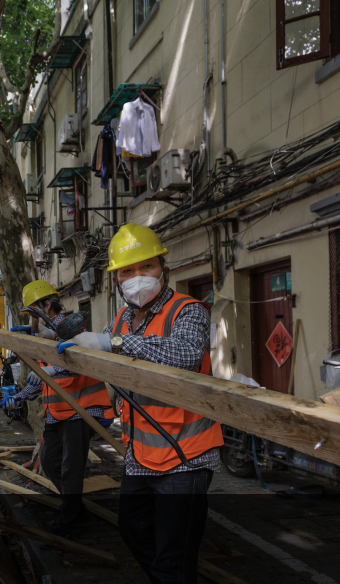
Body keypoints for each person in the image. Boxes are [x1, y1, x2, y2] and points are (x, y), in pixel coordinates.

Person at [55, 223, 219, 583]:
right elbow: (105, 360)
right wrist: (55, 361)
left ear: (164, 268)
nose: (138, 277)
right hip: (141, 454)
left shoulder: (188, 311)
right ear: (116, 279)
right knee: (132, 531)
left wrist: (113, 344)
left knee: (174, 555)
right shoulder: (122, 320)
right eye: (127, 270)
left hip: (185, 455)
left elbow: (185, 354)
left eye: (147, 267)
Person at [5, 279, 115, 538]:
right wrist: (19, 398)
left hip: (81, 409)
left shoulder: (72, 326)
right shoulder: (44, 338)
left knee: (70, 468)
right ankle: (75, 508)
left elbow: (81, 360)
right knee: (50, 461)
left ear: (47, 305)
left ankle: (70, 520)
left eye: (34, 314)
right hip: (57, 413)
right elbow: (40, 379)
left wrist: (52, 368)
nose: (33, 322)